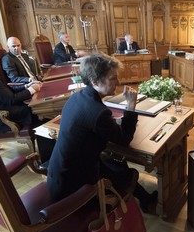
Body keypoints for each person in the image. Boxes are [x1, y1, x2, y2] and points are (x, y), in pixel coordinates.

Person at [47, 53, 157, 212]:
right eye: (112, 78)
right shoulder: (98, 113)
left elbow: (92, 127)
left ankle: (145, 199)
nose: (118, 82)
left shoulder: (77, 97)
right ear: (94, 80)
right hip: (73, 185)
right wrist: (131, 105)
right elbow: (125, 138)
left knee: (117, 165)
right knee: (126, 174)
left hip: (60, 173)